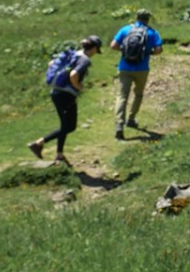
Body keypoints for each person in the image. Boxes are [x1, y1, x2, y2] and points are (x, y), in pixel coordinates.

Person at [30, 35, 102, 166]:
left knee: (64, 125)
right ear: (94, 49)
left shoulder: (74, 53)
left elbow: (51, 63)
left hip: (56, 92)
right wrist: (79, 87)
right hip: (66, 95)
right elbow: (74, 75)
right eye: (97, 51)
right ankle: (39, 143)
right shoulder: (84, 60)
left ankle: (59, 155)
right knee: (70, 126)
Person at [110, 9, 163, 140]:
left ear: (136, 17)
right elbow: (159, 50)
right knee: (138, 94)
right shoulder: (152, 32)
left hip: (124, 67)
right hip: (142, 69)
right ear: (148, 19)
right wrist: (148, 53)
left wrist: (124, 50)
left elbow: (113, 45)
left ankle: (119, 125)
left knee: (122, 96)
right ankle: (131, 119)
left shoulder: (125, 29)